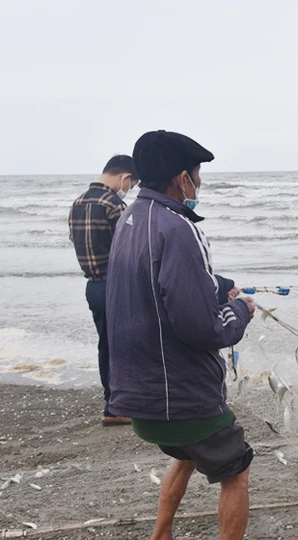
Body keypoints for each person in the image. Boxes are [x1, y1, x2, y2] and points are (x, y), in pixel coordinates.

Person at [106, 130, 256, 540]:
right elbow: (203, 329)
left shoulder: (130, 219)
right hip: (178, 397)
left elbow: (158, 282)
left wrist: (218, 284)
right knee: (236, 468)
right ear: (181, 178)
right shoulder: (177, 227)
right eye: (197, 174)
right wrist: (239, 311)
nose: (200, 183)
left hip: (137, 396)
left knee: (188, 455)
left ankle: (162, 534)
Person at [68, 155, 139, 427]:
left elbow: (77, 242)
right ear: (125, 178)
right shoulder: (115, 205)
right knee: (123, 346)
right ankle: (116, 407)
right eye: (132, 184)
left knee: (105, 345)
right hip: (117, 286)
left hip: (93, 285)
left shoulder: (77, 203)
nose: (130, 189)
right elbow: (131, 251)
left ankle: (113, 403)